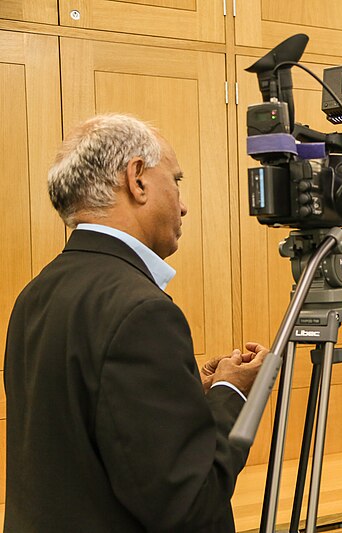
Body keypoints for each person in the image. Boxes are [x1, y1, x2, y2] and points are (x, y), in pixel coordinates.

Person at [4, 114, 267, 532]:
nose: (183, 204)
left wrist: (186, 398)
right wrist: (232, 392)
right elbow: (191, 505)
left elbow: (84, 429)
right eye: (176, 181)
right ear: (138, 179)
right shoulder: (143, 312)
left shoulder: (35, 294)